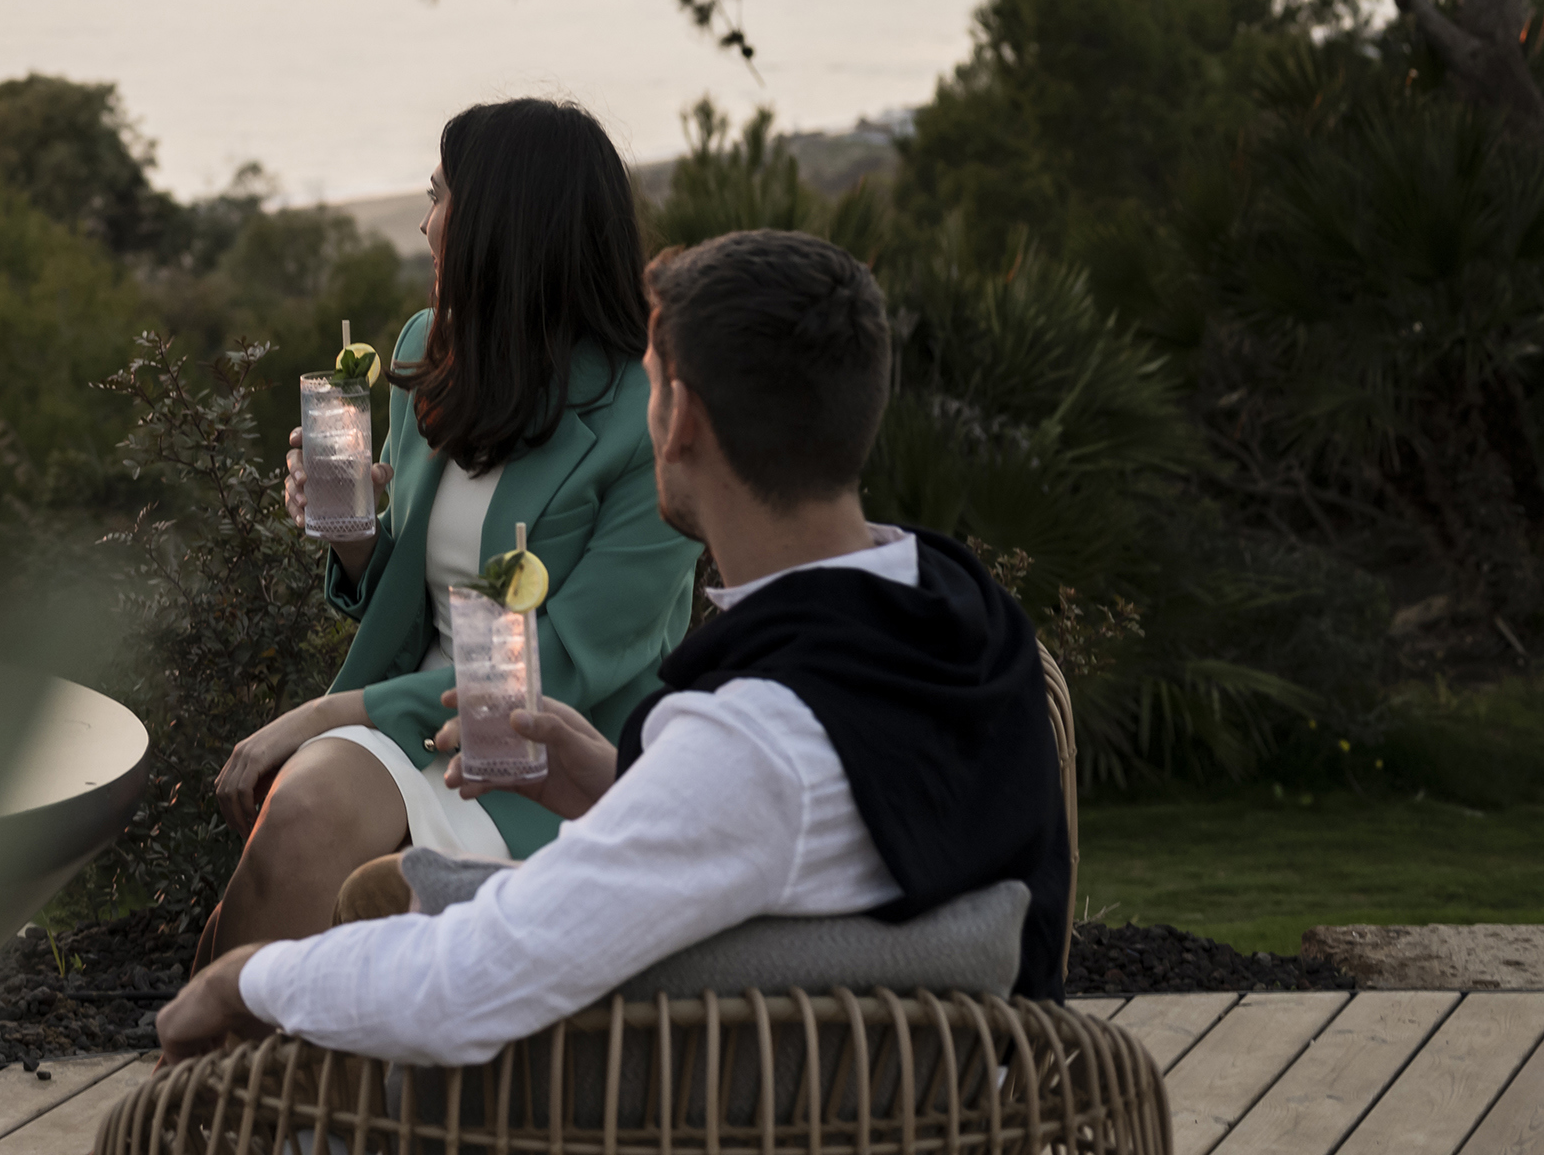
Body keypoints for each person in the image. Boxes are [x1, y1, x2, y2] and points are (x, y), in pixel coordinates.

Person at [155, 228, 1071, 1067]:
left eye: (651, 379)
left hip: (665, 1103)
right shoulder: (961, 625)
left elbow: (474, 978)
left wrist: (245, 980)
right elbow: (798, 838)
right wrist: (620, 778)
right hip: (898, 1088)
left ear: (683, 422)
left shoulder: (758, 736)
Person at [202, 99, 695, 953]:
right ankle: (228, 1074)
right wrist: (352, 537)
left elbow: (552, 681)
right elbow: (406, 599)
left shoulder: (645, 420)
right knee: (296, 825)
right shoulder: (432, 346)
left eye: (439, 198)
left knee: (325, 837)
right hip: (408, 719)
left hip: (538, 762)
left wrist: (320, 715)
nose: (427, 226)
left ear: (504, 225)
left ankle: (246, 1062)